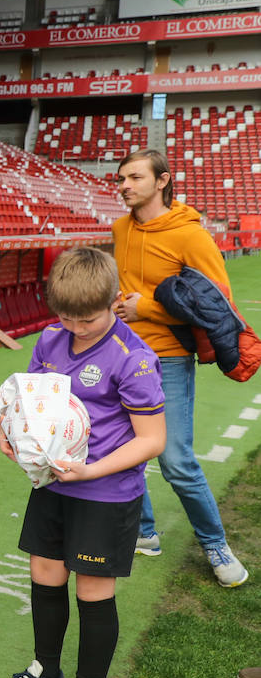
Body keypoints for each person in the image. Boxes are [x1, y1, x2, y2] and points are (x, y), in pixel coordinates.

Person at [0, 248, 165, 678]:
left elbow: (152, 439)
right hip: (53, 485)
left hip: (104, 493)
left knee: (91, 588)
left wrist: (91, 469)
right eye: (65, 317)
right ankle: (47, 671)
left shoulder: (134, 357)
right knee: (44, 571)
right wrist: (9, 428)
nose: (75, 328)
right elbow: (30, 399)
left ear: (113, 302)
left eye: (87, 319)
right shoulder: (49, 339)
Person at [111, 149, 248, 587]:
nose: (125, 185)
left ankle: (215, 545)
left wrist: (145, 307)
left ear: (162, 181)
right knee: (123, 450)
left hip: (167, 357)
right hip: (121, 355)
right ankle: (145, 532)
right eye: (121, 179)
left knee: (175, 461)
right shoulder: (119, 228)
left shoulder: (191, 236)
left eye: (134, 177)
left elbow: (215, 306)